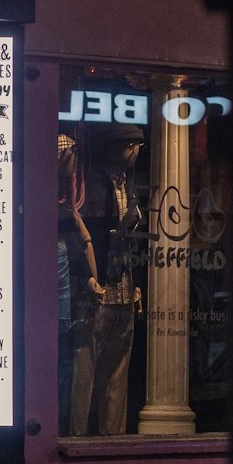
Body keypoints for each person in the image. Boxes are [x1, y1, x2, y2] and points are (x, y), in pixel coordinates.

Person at [69, 124, 145, 435]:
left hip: (124, 287)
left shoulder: (128, 184)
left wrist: (136, 283)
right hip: (98, 289)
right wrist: (88, 278)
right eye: (134, 147)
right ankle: (76, 438)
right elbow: (75, 234)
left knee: (117, 372)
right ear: (126, 147)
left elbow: (132, 241)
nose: (137, 153)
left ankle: (112, 439)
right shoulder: (92, 187)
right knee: (85, 373)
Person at [57, 135, 104, 432]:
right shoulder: (52, 200)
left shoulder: (66, 199)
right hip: (61, 282)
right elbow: (72, 243)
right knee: (61, 354)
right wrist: (89, 279)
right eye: (71, 160)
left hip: (68, 283)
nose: (75, 168)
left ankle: (65, 424)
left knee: (67, 357)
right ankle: (60, 424)